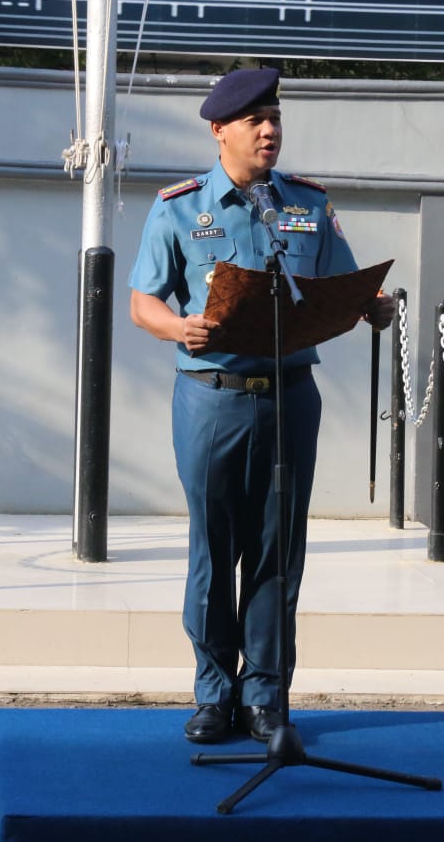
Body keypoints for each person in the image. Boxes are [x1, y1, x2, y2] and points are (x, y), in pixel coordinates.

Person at [128, 67, 394, 745]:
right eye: (255, 121)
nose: (270, 130)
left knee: (278, 552)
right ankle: (214, 693)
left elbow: (344, 282)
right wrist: (175, 327)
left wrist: (375, 307)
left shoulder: (306, 204)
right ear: (221, 131)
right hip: (211, 399)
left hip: (288, 400)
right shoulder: (181, 207)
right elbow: (142, 301)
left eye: (275, 118)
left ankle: (266, 697)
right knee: (214, 550)